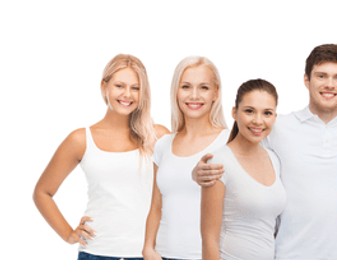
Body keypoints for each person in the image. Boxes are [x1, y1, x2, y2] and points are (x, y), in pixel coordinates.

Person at [194, 44, 337, 259]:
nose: (329, 84)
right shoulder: (279, 127)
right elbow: (236, 150)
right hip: (289, 257)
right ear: (306, 80)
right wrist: (197, 172)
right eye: (321, 76)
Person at [33, 54, 168, 260]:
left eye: (135, 88)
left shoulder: (158, 136)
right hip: (97, 253)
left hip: (150, 254)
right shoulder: (81, 139)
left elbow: (182, 189)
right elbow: (42, 192)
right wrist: (69, 234)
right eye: (119, 86)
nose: (127, 94)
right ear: (104, 86)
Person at [144, 56, 230, 260]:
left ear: (215, 93)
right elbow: (156, 205)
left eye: (203, 88)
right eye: (185, 87)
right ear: (176, 91)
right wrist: (148, 248)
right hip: (163, 257)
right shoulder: (163, 144)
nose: (194, 95)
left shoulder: (229, 142)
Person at [200, 79, 286, 260]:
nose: (258, 121)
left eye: (267, 113)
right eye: (249, 111)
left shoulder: (274, 159)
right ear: (234, 112)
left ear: (275, 117)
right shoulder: (218, 162)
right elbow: (209, 239)